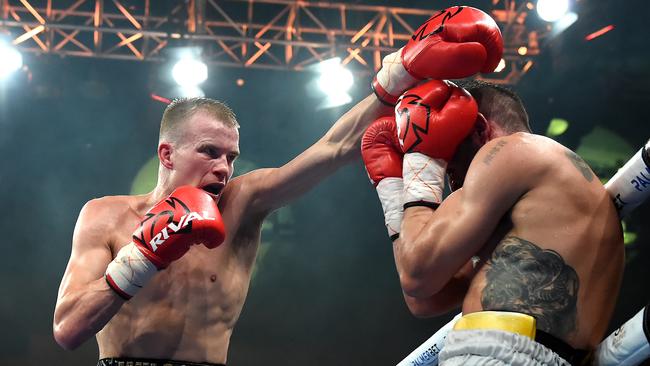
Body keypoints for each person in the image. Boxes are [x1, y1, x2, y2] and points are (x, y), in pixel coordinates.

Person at [52, 6, 503, 365]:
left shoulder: (242, 203)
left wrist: (398, 74)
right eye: (209, 152)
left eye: (230, 157)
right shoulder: (104, 215)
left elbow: (333, 147)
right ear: (167, 154)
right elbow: (68, 330)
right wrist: (141, 255)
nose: (224, 169)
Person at [362, 78, 624, 365]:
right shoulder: (537, 206)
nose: (452, 183)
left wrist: (421, 166)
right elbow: (424, 296)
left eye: (450, 162)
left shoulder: (513, 150)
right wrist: (393, 192)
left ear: (478, 128)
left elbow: (417, 273)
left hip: (502, 351)